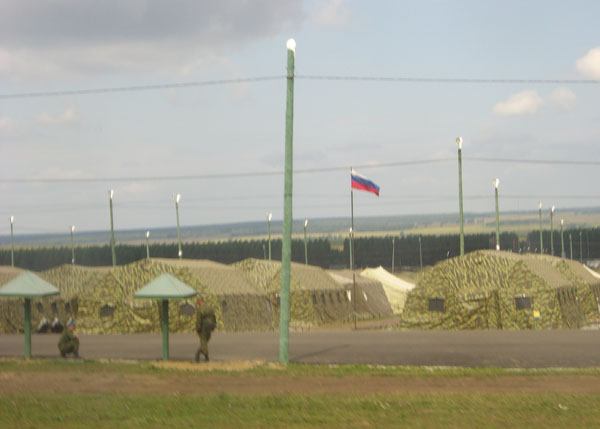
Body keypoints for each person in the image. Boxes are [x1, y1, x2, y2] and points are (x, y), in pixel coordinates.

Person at [195, 297, 216, 362]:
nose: (197, 302)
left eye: (197, 301)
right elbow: (214, 318)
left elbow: (199, 321)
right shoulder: (210, 308)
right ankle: (206, 357)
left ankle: (198, 355)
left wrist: (197, 330)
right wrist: (213, 327)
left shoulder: (200, 310)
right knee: (205, 341)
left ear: (199, 301)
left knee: (203, 341)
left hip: (203, 328)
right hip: (209, 326)